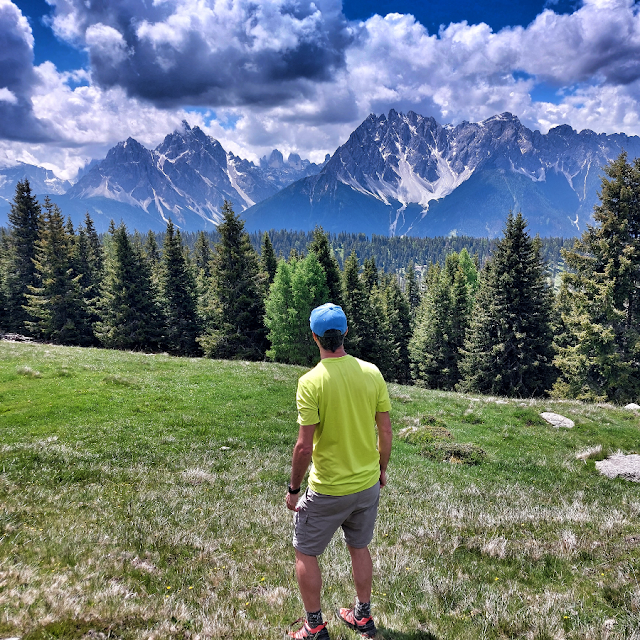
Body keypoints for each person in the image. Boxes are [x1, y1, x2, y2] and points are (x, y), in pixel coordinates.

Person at [286, 303, 393, 640]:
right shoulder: (371, 372)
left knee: (305, 551)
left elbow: (304, 447)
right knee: (359, 548)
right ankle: (363, 617)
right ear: (345, 332)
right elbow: (386, 432)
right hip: (366, 485)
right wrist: (381, 470)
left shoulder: (310, 382)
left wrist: (293, 489)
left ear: (315, 337)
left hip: (329, 488)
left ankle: (315, 626)